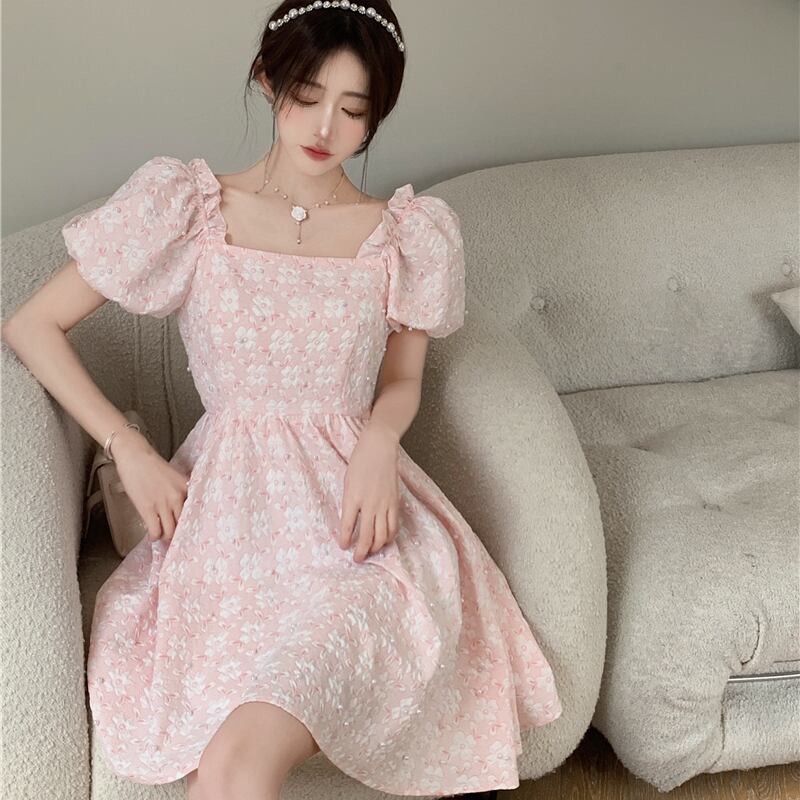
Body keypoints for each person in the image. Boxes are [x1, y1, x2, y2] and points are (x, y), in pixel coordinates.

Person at [1, 1, 563, 798]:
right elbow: (31, 325)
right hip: (226, 532)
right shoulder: (189, 212)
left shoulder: (405, 234)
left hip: (357, 533)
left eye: (355, 109)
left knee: (256, 738)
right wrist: (127, 448)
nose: (326, 127)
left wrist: (379, 441)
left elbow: (402, 379)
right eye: (307, 94)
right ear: (268, 80)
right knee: (233, 756)